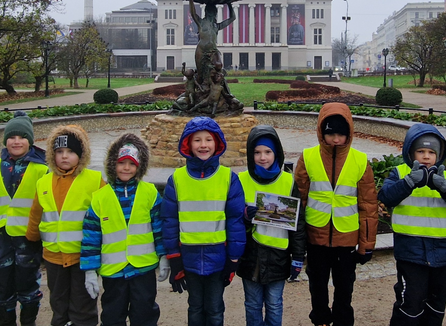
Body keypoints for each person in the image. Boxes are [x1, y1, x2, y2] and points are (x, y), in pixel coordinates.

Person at [295, 102, 378, 326]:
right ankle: (321, 319)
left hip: (347, 238)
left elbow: (368, 205)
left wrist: (366, 245)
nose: (336, 139)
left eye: (341, 134)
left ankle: (342, 320)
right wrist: (297, 241)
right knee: (317, 286)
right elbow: (299, 200)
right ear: (322, 132)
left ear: (348, 133)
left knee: (345, 288)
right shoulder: (308, 156)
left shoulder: (360, 160)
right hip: (316, 236)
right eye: (331, 133)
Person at [378, 124, 446, 325]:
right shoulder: (400, 172)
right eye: (420, 151)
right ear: (410, 153)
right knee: (410, 305)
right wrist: (409, 182)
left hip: (442, 253)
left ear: (439, 155)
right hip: (411, 252)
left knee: (436, 306)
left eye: (431, 152)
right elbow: (386, 196)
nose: (426, 156)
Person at [162, 116, 246, 326]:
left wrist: (233, 259)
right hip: (188, 258)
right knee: (195, 306)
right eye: (197, 140)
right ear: (188, 144)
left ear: (216, 143)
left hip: (218, 257)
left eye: (208, 139)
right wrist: (174, 257)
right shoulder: (177, 179)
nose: (203, 145)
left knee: (216, 308)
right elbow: (170, 220)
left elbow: (235, 221)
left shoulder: (228, 177)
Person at [81, 133, 170, 326]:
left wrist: (164, 256)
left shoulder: (150, 193)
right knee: (112, 316)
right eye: (121, 163)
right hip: (114, 271)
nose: (126, 168)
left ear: (139, 166)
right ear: (113, 165)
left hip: (143, 268)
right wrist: (90, 269)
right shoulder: (100, 197)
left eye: (132, 164)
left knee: (145, 314)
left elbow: (158, 228)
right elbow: (91, 236)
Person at [25, 124, 105, 326]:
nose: (64, 156)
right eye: (59, 151)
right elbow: (36, 213)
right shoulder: (44, 182)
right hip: (53, 255)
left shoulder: (94, 180)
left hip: (83, 256)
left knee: (83, 302)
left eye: (70, 151)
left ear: (81, 154)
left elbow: (107, 213)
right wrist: (31, 237)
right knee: (58, 301)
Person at [0, 111, 48, 326]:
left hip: (27, 238)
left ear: (30, 140)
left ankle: (29, 321)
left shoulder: (42, 169)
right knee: (1, 284)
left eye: (22, 137)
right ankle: (5, 321)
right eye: (12, 137)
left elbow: (47, 206)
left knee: (27, 283)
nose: (16, 141)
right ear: (5, 140)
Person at [237, 125, 306, 326]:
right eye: (257, 152)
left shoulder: (288, 182)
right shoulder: (240, 180)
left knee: (275, 304)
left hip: (278, 257)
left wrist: (298, 257)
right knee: (252, 304)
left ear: (276, 153)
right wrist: (243, 217)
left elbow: (298, 224)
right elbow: (231, 219)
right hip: (250, 255)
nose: (263, 157)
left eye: (268, 152)